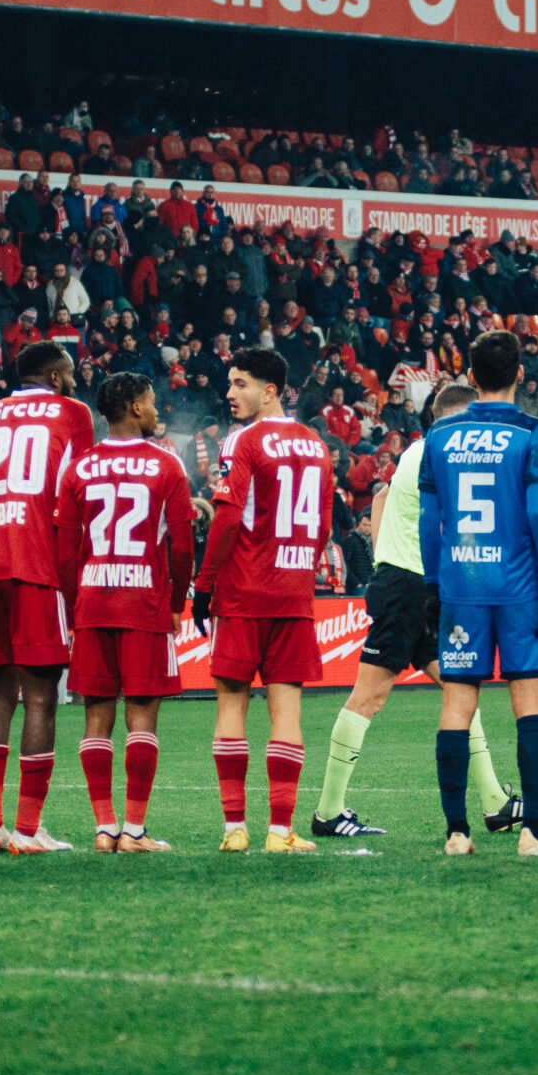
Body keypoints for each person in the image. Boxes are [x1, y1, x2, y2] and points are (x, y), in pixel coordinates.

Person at [311, 379, 518, 839]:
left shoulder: (418, 451)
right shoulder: (443, 452)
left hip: (409, 582)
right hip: (409, 587)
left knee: (460, 686)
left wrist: (386, 558)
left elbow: (383, 497)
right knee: (369, 697)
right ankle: (327, 812)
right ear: (463, 416)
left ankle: (496, 804)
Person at [417, 332, 538, 858]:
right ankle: (532, 835)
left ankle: (457, 833)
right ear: (520, 374)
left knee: (458, 704)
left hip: (461, 585)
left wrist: (433, 585)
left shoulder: (439, 435)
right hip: (520, 584)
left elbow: (430, 520)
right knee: (530, 705)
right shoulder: (534, 433)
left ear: (470, 376)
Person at [195, 348, 331, 853]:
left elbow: (227, 517)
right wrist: (300, 569)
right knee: (287, 711)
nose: (230, 394)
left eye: (241, 384)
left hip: (243, 591)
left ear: (270, 390)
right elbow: (321, 526)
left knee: (231, 704)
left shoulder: (244, 439)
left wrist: (205, 583)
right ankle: (280, 831)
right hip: (293, 593)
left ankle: (235, 828)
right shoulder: (316, 443)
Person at [59, 372, 194, 852]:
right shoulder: (166, 466)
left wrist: (77, 606)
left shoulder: (79, 468)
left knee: (96, 717)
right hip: (145, 603)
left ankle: (103, 827)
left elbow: (65, 551)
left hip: (93, 603)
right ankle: (134, 831)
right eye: (152, 402)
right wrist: (177, 603)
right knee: (142, 717)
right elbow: (181, 548)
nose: (157, 410)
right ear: (136, 407)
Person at [0, 340, 91, 853]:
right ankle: (26, 829)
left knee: (0, 692)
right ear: (57, 378)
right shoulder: (73, 412)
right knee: (41, 697)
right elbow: (81, 489)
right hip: (37, 560)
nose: (77, 380)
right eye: (72, 372)